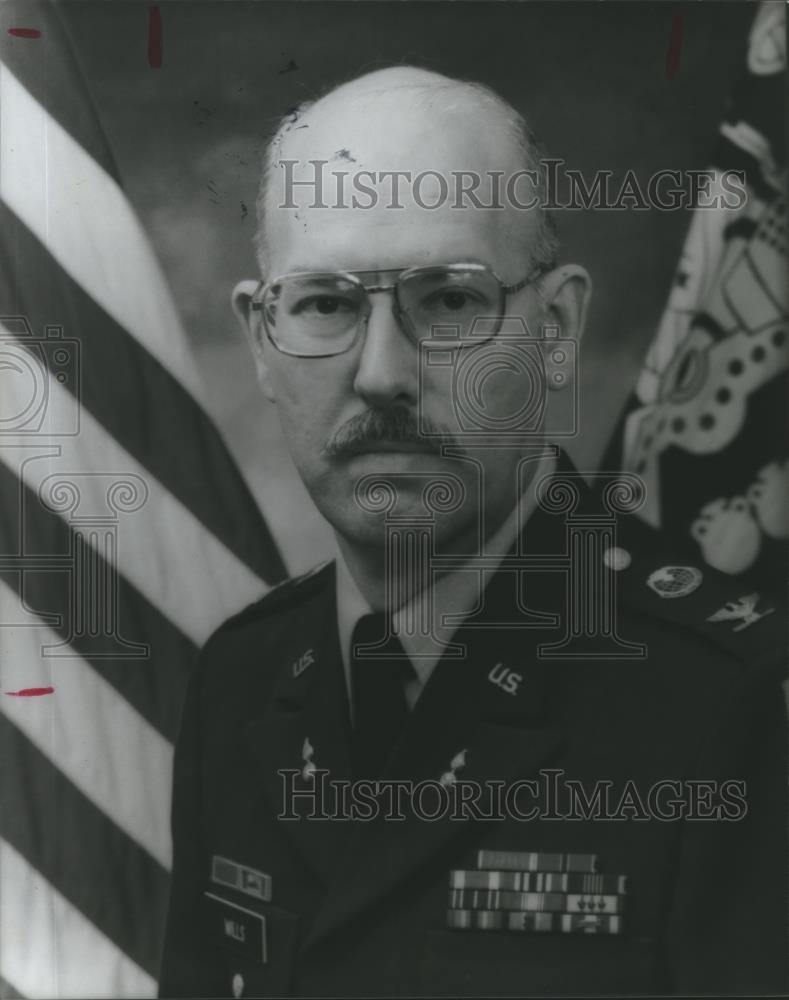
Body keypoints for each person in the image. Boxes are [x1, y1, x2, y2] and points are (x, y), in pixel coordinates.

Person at [158, 67, 786, 998]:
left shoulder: (728, 710)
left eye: (448, 300)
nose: (380, 375)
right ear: (262, 339)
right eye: (325, 304)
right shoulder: (239, 682)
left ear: (558, 327)